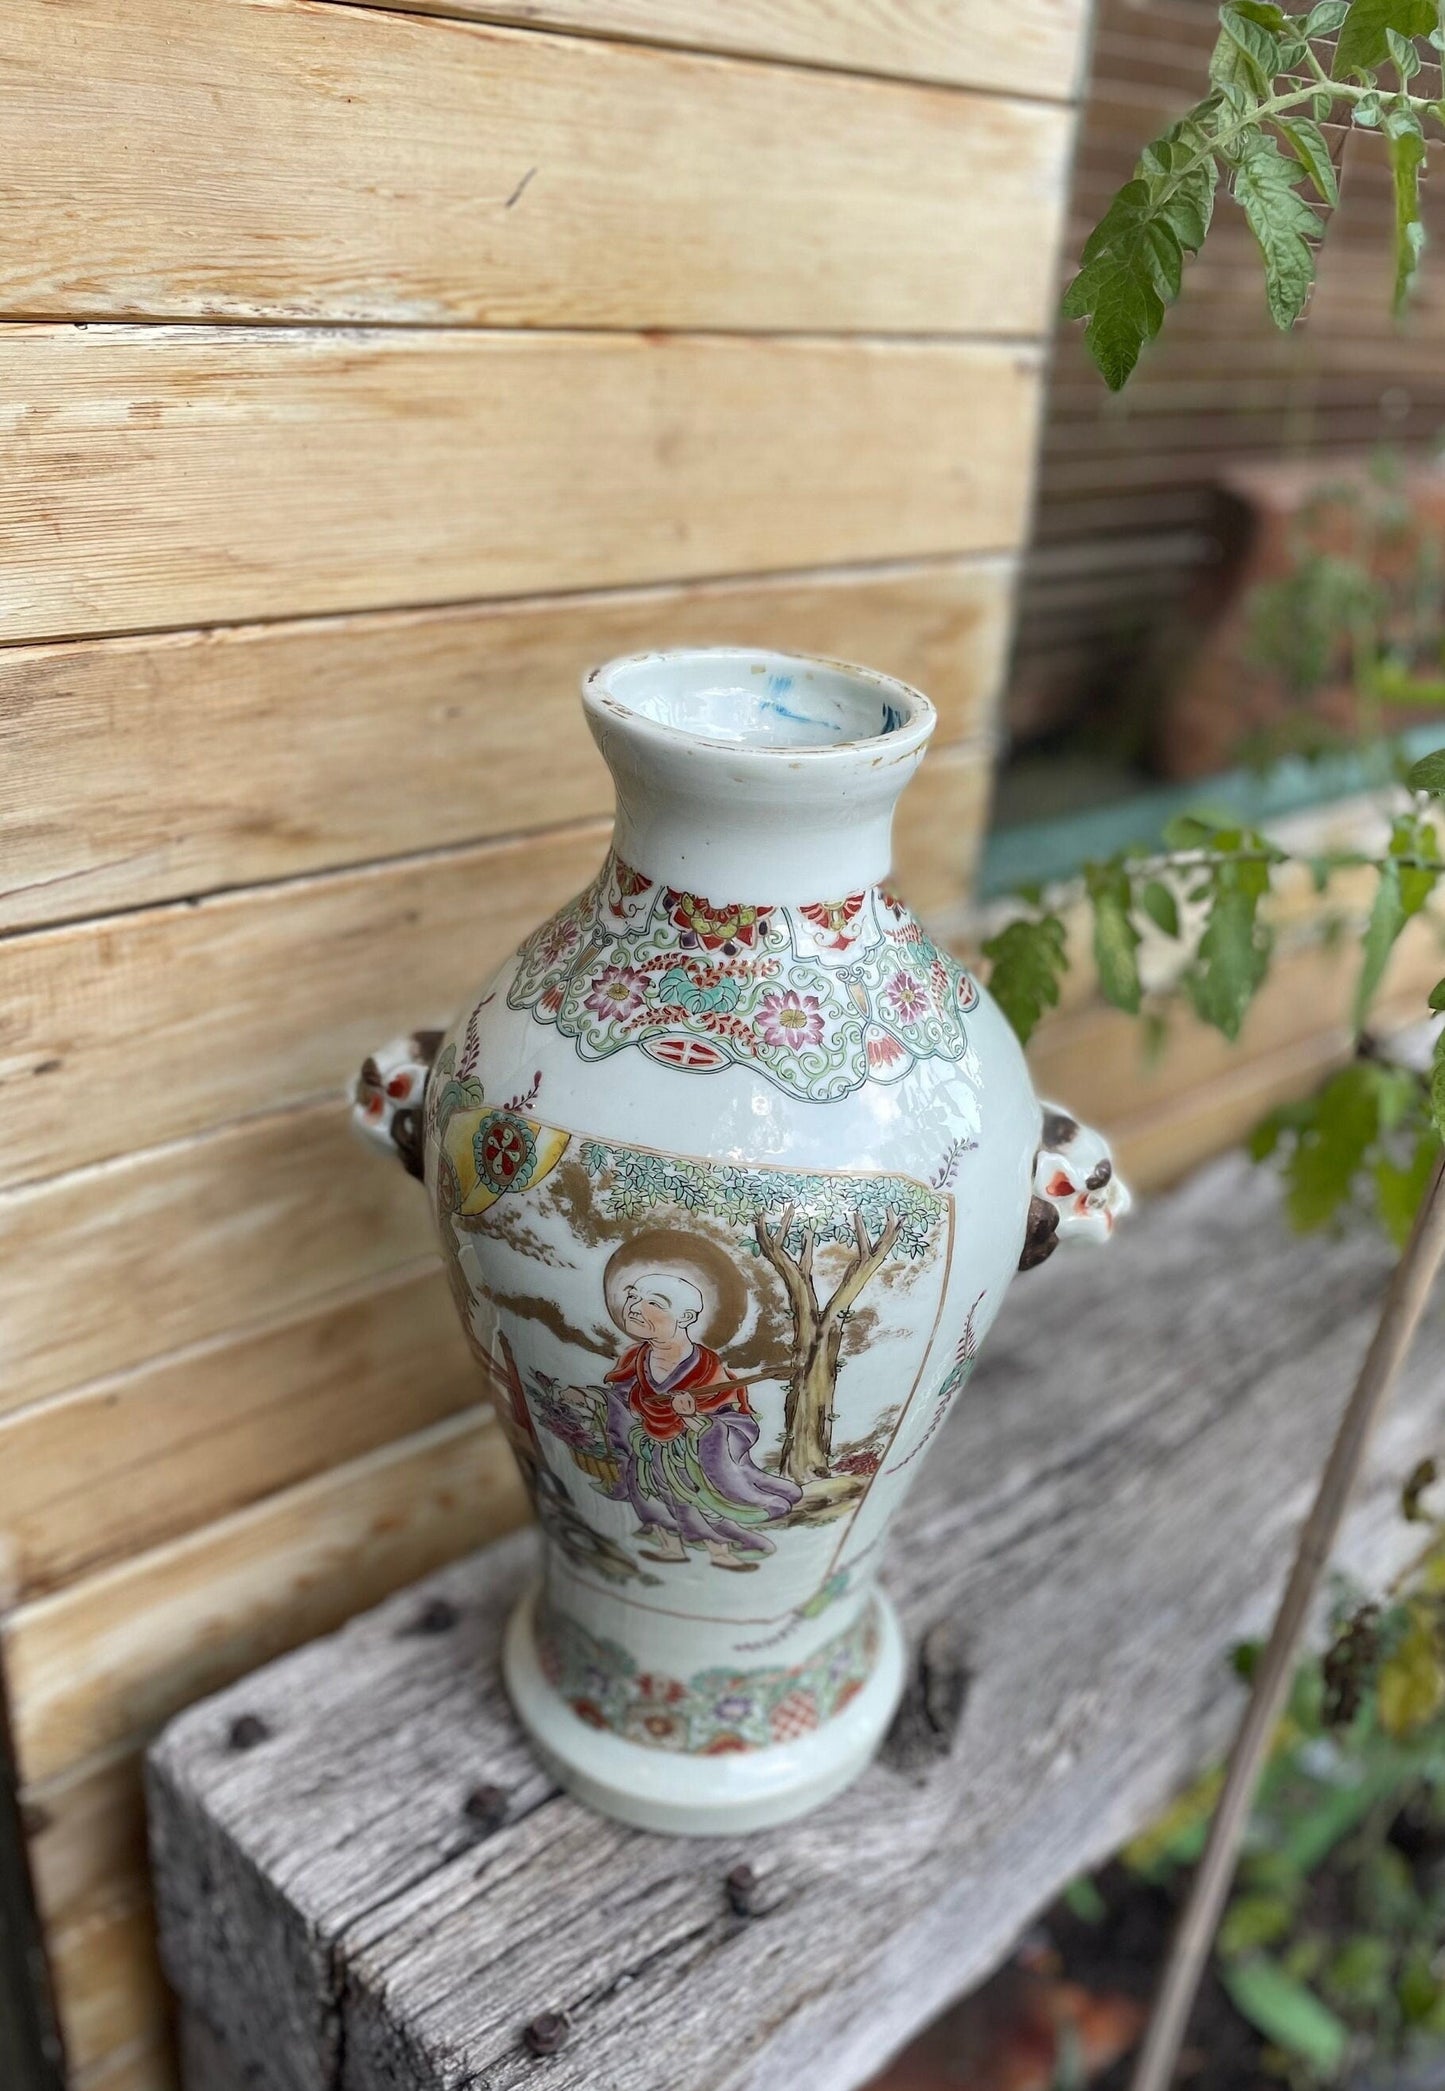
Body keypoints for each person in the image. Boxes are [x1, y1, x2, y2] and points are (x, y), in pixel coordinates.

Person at [573, 1272, 800, 1571]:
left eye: (654, 1302)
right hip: (647, 1450)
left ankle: (720, 1553)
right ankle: (671, 1547)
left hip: (689, 1458)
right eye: (633, 1296)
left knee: (696, 1503)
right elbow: (621, 1398)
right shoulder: (635, 1358)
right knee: (650, 1498)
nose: (635, 1307)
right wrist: (589, 1398)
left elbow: (735, 1422)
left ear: (686, 1316)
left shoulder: (707, 1369)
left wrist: (692, 1418)